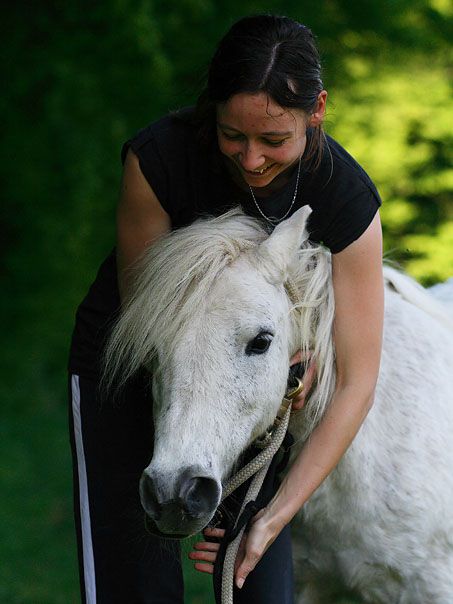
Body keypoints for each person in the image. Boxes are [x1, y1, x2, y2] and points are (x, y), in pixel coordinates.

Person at [68, 13, 383, 604]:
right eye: (232, 135)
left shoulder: (348, 199)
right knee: (134, 588)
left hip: (259, 385)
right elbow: (155, 335)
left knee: (257, 583)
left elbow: (356, 384)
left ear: (317, 110)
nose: (252, 159)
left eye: (274, 140)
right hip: (137, 366)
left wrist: (269, 515)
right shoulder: (157, 159)